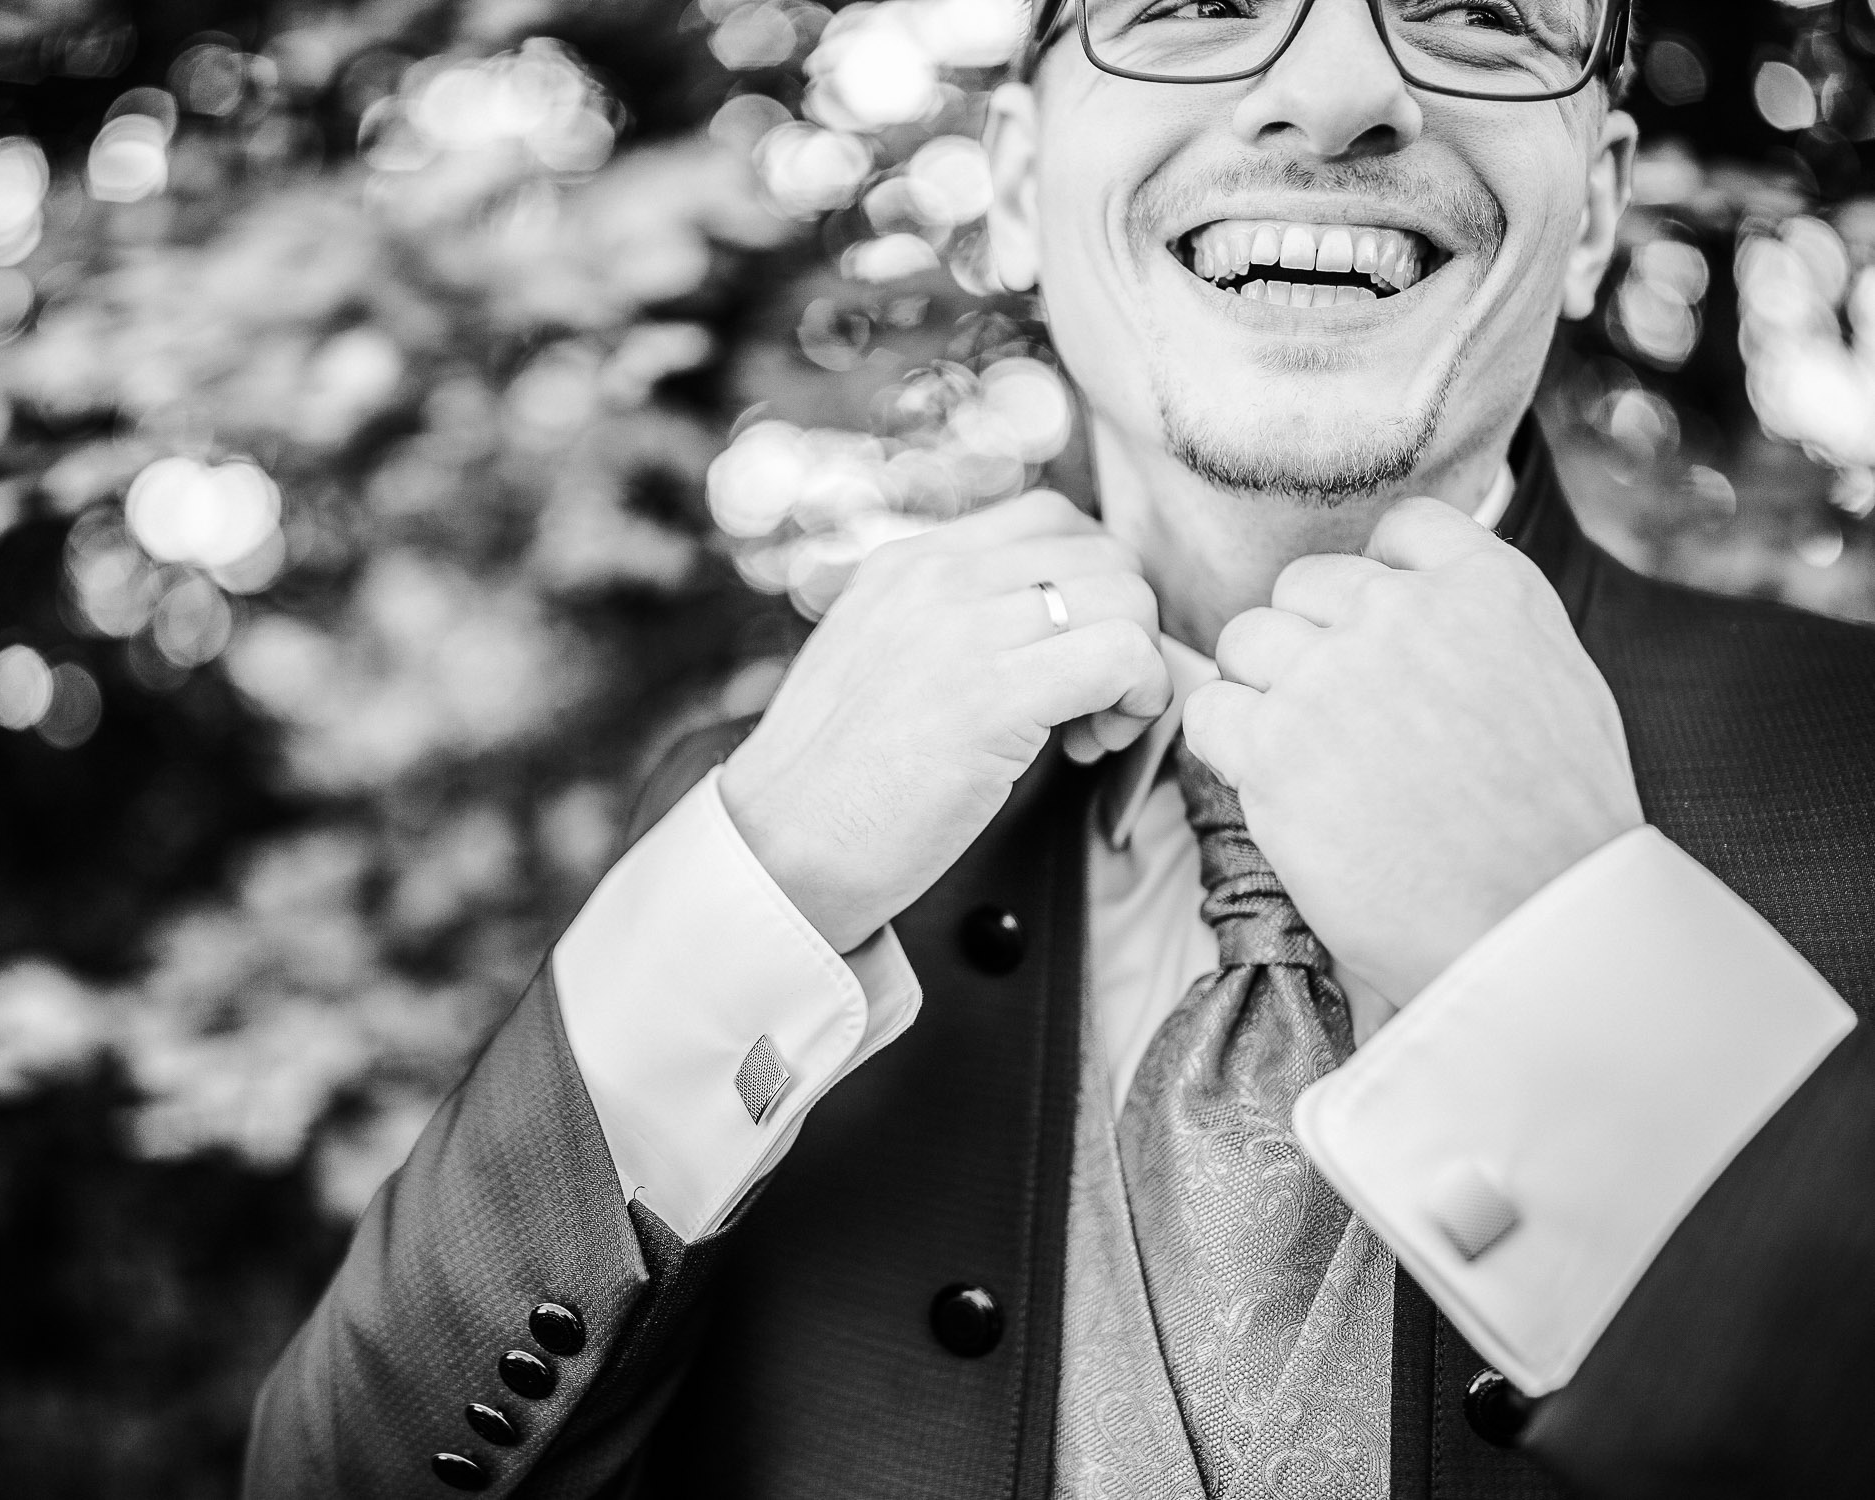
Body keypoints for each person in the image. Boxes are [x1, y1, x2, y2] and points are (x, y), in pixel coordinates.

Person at [246, 0, 1875, 1494]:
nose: (1329, 93)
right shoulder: (758, 825)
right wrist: (761, 877)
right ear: (1020, 185)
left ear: (1590, 209)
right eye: (1194, 2)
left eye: (1475, 10)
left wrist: (1571, 963)